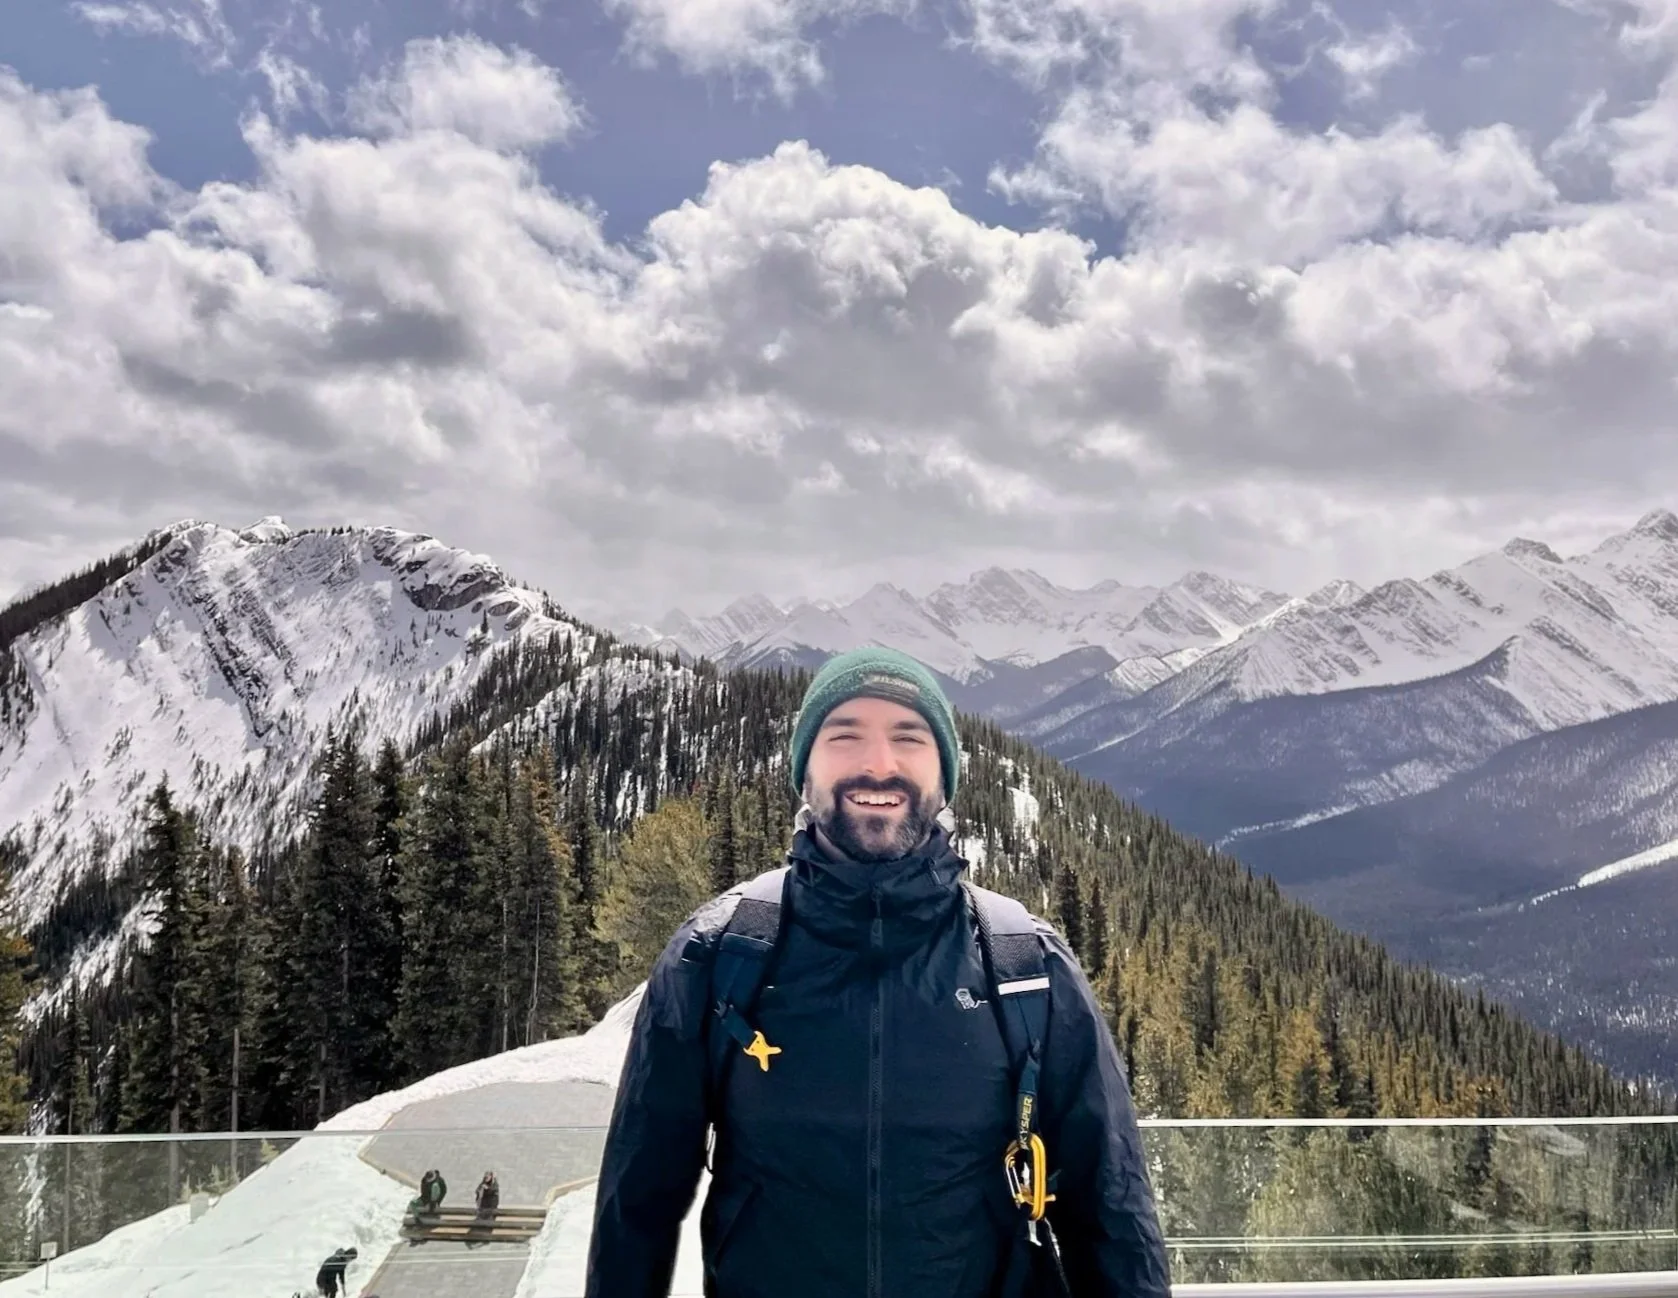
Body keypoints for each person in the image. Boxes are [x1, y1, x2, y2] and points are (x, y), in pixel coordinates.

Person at [584, 647, 1172, 1297]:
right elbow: (635, 1206)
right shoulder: (717, 957)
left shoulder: (1026, 968)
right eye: (845, 736)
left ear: (944, 776)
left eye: (908, 737)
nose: (878, 763)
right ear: (803, 770)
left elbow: (1111, 1210)